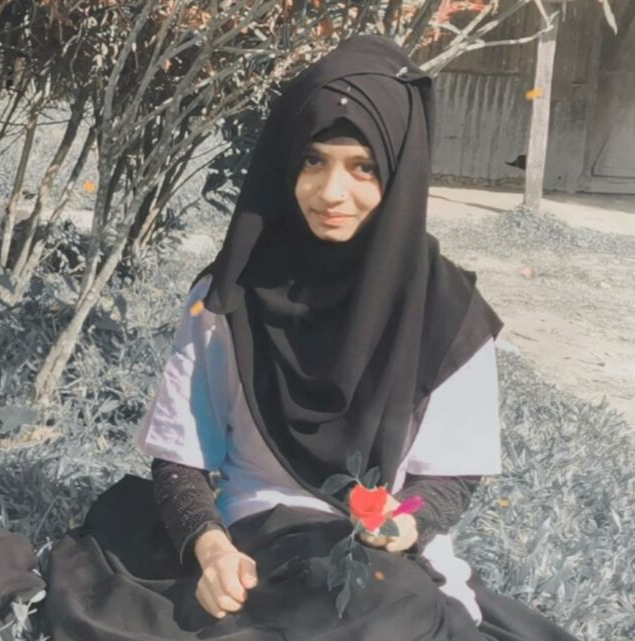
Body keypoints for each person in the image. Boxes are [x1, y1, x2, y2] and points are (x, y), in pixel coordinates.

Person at [43, 35, 583, 641]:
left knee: (391, 605)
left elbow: (448, 478)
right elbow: (180, 459)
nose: (331, 193)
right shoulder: (229, 297)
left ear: (401, 173)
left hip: (384, 561)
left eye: (363, 168)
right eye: (313, 161)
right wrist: (211, 549)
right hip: (256, 538)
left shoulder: (448, 314)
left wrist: (407, 523)